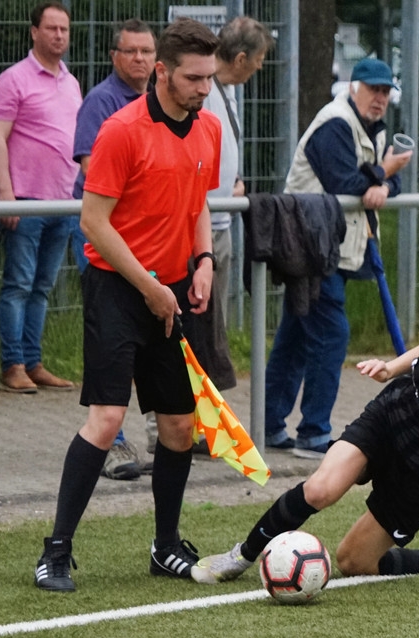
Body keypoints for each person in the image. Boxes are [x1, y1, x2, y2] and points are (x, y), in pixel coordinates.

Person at [33, 17, 222, 592]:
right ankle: (56, 550)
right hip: (117, 288)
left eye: (209, 78)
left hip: (171, 292)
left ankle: (165, 547)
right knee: (108, 418)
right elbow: (94, 222)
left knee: (179, 426)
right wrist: (149, 286)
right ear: (162, 72)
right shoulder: (121, 130)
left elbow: (197, 205)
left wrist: (204, 261)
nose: (204, 89)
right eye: (194, 79)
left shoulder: (209, 128)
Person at [193, 299, 419, 600]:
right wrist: (390, 369)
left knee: (353, 562)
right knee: (320, 489)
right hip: (388, 421)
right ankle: (242, 555)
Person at [264, 57, 412, 459]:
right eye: (373, 89)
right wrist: (382, 174)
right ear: (353, 88)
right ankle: (313, 434)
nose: (380, 98)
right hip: (309, 246)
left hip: (330, 245)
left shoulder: (373, 127)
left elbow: (388, 182)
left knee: (296, 336)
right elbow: (344, 183)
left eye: (386, 91)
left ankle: (270, 424)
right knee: (331, 334)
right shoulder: (334, 123)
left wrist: (383, 183)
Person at [70, 18, 158, 481]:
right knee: (112, 346)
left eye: (147, 51)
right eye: (131, 51)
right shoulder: (101, 102)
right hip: (107, 240)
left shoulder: (161, 100)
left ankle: (163, 430)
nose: (139, 59)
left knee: (153, 343)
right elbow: (94, 169)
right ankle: (112, 441)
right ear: (114, 56)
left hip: (150, 243)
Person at [0, 2, 81, 394]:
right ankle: (13, 366)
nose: (59, 35)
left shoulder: (71, 83)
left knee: (42, 287)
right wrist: (6, 193)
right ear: (34, 32)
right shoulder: (14, 80)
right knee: (19, 284)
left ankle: (33, 362)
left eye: (64, 29)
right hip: (25, 199)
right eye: (51, 28)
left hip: (63, 201)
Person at [186, 16, 274, 401]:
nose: (259, 68)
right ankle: (173, 419)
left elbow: (219, 151)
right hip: (199, 224)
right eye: (258, 60)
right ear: (240, 59)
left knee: (211, 330)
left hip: (220, 220)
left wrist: (233, 182)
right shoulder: (205, 91)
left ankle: (203, 414)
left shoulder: (228, 89)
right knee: (192, 327)